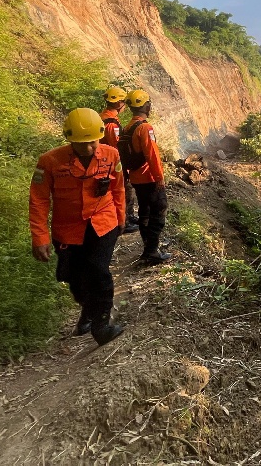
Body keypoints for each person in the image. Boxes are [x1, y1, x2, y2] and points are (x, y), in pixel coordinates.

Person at [29, 108, 125, 345]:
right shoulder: (50, 162)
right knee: (72, 276)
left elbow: (119, 189)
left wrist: (121, 219)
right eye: (84, 144)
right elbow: (38, 200)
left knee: (97, 270)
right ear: (70, 140)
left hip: (103, 222)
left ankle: (101, 325)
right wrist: (39, 236)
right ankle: (88, 309)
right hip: (68, 229)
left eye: (94, 142)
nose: (91, 148)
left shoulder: (111, 155)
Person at [119, 89, 171, 265]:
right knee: (158, 211)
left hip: (136, 178)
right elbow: (152, 155)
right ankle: (151, 251)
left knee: (144, 213)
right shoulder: (145, 128)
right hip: (149, 177)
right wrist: (159, 178)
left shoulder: (127, 128)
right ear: (146, 105)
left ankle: (150, 246)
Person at [100, 86, 139, 234]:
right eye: (123, 102)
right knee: (124, 190)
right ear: (118, 103)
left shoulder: (103, 117)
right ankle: (125, 220)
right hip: (113, 163)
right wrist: (124, 166)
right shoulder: (111, 124)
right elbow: (116, 147)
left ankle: (129, 216)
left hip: (105, 161)